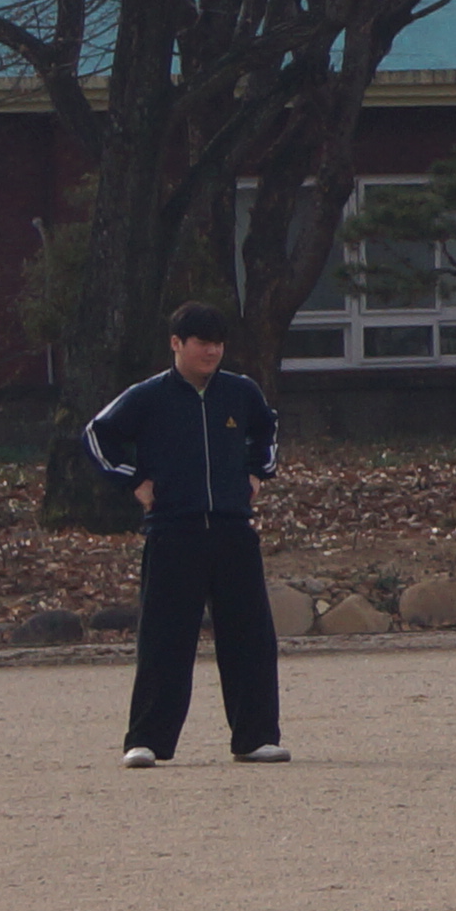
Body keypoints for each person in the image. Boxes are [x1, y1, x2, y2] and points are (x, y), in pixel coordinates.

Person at [91, 305, 289, 767]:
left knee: (250, 637)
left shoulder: (241, 393)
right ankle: (146, 740)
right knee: (164, 638)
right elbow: (98, 436)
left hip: (232, 529)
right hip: (172, 531)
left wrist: (259, 474)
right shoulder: (148, 396)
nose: (212, 351)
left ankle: (255, 736)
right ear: (176, 343)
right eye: (202, 342)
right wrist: (134, 480)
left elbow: (267, 428)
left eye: (218, 342)